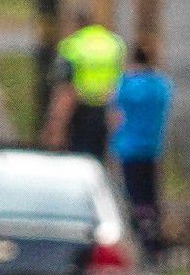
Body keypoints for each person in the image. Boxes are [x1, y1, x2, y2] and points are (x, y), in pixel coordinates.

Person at [110, 43, 171, 260]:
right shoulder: (160, 86)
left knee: (132, 195)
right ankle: (152, 239)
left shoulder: (126, 86)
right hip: (152, 147)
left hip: (128, 148)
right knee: (150, 196)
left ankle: (137, 240)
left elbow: (114, 110)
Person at [47, 20, 125, 163]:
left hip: (79, 111)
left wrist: (56, 127)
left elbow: (66, 90)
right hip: (105, 109)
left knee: (79, 161)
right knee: (98, 161)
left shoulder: (72, 45)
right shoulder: (113, 44)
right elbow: (119, 81)